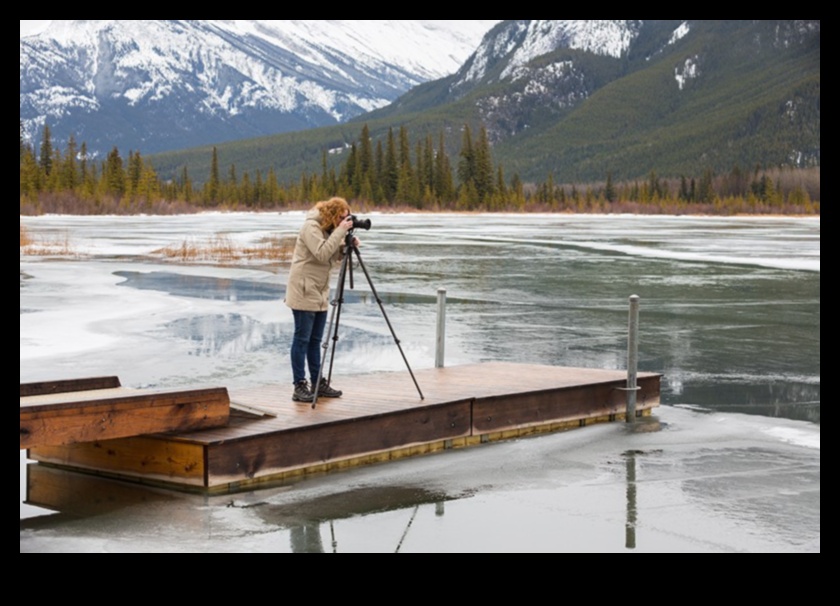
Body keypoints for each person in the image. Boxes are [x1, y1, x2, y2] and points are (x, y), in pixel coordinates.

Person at [284, 197, 359, 402]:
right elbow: (321, 253)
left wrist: (346, 247)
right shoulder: (311, 227)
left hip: (319, 290)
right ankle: (299, 386)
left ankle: (318, 382)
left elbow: (332, 255)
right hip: (303, 289)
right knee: (302, 339)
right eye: (341, 217)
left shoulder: (328, 228)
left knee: (315, 341)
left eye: (347, 218)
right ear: (332, 214)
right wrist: (340, 232)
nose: (344, 221)